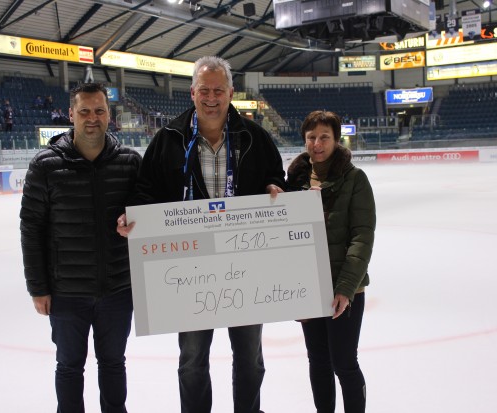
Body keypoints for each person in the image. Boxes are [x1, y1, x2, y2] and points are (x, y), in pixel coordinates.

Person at [116, 56, 285, 413]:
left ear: (231, 93)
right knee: (192, 359)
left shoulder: (254, 137)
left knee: (250, 357)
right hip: (191, 269)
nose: (212, 97)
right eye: (204, 90)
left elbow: (276, 177)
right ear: (192, 93)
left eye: (219, 90)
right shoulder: (168, 139)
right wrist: (133, 216)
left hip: (246, 263)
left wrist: (276, 188)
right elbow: (147, 188)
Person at [20, 82, 142, 413]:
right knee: (70, 366)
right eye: (85, 111)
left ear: (109, 116)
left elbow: (148, 208)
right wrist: (38, 287)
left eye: (99, 111)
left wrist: (136, 216)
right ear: (71, 114)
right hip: (66, 292)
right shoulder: (45, 165)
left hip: (117, 288)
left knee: (114, 363)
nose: (92, 118)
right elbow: (31, 228)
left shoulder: (130, 162)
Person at [285, 110, 376, 413]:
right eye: (311, 137)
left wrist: (346, 288)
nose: (317, 143)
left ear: (336, 140)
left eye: (324, 137)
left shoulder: (355, 180)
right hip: (309, 288)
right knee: (318, 361)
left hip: (344, 289)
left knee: (344, 362)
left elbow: (361, 238)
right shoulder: (294, 180)